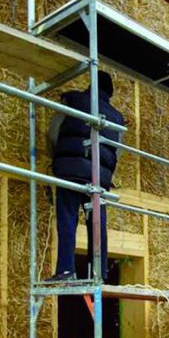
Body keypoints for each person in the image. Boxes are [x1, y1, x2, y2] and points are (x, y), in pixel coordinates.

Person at [48, 71, 123, 282]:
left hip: (70, 170)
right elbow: (118, 151)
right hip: (99, 178)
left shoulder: (73, 99)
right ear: (110, 93)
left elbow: (53, 133)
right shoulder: (117, 117)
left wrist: (58, 158)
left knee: (67, 219)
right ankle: (100, 272)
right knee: (97, 223)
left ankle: (66, 270)